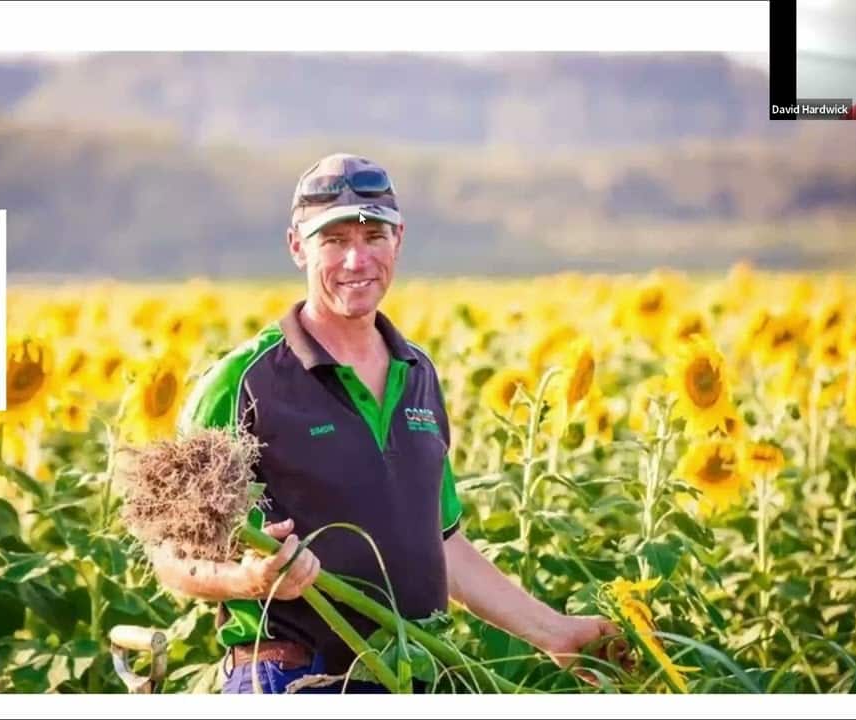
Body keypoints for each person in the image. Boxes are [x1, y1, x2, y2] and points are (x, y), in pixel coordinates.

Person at [151, 152, 628, 694]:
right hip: (292, 678)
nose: (357, 260)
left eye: (373, 236)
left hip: (413, 673)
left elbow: (442, 544)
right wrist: (248, 580)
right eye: (333, 241)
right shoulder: (243, 381)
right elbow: (171, 554)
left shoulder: (417, 372)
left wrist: (558, 634)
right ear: (296, 247)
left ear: (398, 241)